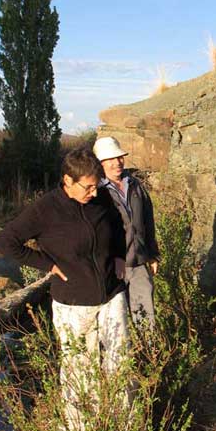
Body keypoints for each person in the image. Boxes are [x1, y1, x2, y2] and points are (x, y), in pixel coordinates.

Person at [0, 147, 130, 431]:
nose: (94, 192)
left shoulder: (101, 196)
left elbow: (117, 225)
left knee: (120, 361)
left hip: (111, 293)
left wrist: (119, 255)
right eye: (88, 186)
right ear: (68, 180)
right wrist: (47, 265)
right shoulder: (45, 209)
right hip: (73, 303)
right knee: (80, 369)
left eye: (97, 185)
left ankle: (124, 430)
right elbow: (6, 242)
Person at [93, 136, 160, 333]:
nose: (117, 162)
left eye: (119, 157)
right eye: (111, 159)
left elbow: (148, 221)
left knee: (146, 318)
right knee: (114, 323)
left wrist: (153, 254)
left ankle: (150, 359)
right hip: (111, 268)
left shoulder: (135, 185)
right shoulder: (96, 191)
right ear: (100, 163)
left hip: (138, 262)